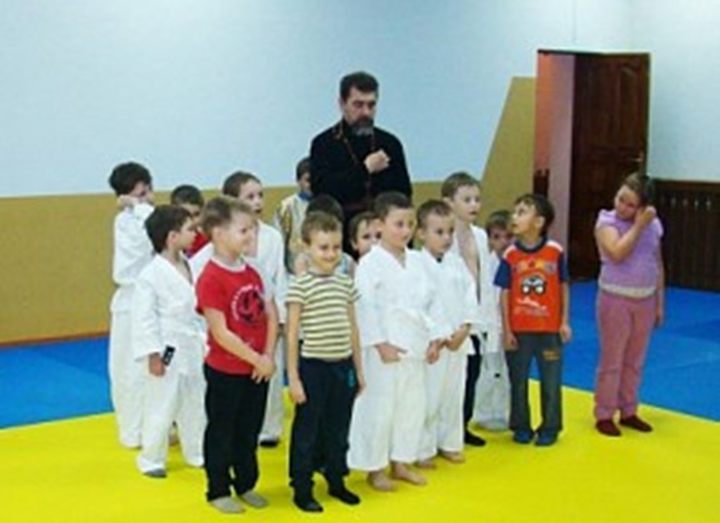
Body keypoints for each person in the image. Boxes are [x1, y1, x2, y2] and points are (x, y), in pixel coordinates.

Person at [348, 192, 443, 491]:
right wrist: (379, 343)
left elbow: (434, 302)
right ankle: (375, 468)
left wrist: (436, 338)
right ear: (380, 224)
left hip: (414, 345)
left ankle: (401, 461)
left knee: (412, 406)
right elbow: (365, 307)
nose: (405, 230)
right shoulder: (370, 263)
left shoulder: (418, 261)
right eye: (398, 224)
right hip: (383, 349)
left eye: (410, 224)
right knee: (379, 408)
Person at [192, 171, 288, 447]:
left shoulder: (270, 240)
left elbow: (276, 286)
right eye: (250, 196)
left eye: (260, 195)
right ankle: (219, 483)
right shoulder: (205, 266)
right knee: (223, 418)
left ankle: (268, 433)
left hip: (262, 335)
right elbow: (211, 320)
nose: (258, 201)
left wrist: (274, 331)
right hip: (225, 348)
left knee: (260, 400)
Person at [195, 197, 278, 514]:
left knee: (249, 429)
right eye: (243, 230)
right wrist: (255, 358)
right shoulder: (211, 276)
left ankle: (246, 483)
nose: (250, 237)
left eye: (252, 231)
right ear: (217, 232)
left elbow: (270, 313)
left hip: (258, 368)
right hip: (227, 369)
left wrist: (268, 355)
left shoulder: (254, 271)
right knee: (222, 429)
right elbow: (220, 332)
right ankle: (218, 488)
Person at [286, 212, 365, 512]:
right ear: (306, 247)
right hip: (313, 367)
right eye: (323, 247)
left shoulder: (345, 283)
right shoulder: (300, 285)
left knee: (338, 428)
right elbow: (292, 334)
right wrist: (293, 377)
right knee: (307, 430)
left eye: (335, 247)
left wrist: (358, 370)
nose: (331, 254)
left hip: (341, 365)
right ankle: (302, 486)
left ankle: (336, 479)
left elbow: (353, 328)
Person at [132, 205, 206, 478]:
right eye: (189, 229)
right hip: (167, 347)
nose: (195, 233)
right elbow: (143, 319)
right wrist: (152, 354)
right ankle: (151, 458)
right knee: (162, 402)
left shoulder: (191, 264)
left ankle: (196, 451)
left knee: (195, 400)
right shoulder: (150, 274)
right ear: (172, 236)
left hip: (193, 341)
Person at [494, 194, 572, 447]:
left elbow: (563, 287)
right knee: (518, 381)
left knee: (551, 381)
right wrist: (507, 330)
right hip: (519, 330)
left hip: (549, 330)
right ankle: (520, 425)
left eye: (522, 212)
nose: (514, 217)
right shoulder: (510, 255)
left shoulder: (554, 252)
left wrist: (564, 321)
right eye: (514, 211)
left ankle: (550, 426)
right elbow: (504, 294)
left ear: (538, 221)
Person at [593, 173, 664, 436]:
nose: (623, 207)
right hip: (615, 298)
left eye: (631, 204)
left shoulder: (653, 226)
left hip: (644, 298)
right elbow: (617, 252)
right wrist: (637, 225)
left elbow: (657, 263)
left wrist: (659, 302)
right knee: (613, 358)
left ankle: (629, 409)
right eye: (621, 199)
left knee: (635, 359)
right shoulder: (606, 221)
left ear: (643, 207)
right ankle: (604, 412)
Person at [310, 71, 412, 251]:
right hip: (342, 240)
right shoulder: (324, 143)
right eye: (358, 105)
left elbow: (403, 196)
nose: (366, 112)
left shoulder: (390, 143)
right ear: (342, 104)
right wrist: (364, 169)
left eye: (371, 105)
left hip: (385, 238)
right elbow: (322, 191)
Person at [415, 200, 476, 467]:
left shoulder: (456, 264)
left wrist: (465, 326)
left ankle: (450, 442)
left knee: (454, 394)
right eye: (438, 232)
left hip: (458, 342)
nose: (446, 238)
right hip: (433, 346)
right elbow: (417, 306)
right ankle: (422, 448)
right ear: (421, 233)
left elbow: (469, 296)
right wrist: (437, 335)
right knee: (428, 398)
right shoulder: (415, 265)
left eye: (449, 231)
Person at [441, 172, 497, 447]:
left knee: (472, 374)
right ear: (449, 203)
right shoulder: (440, 237)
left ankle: (462, 425)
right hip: (450, 318)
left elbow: (483, 278)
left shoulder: (480, 236)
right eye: (466, 199)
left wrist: (484, 317)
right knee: (448, 379)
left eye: (477, 199)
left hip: (476, 315)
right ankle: (442, 431)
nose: (474, 205)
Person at [107, 161, 155, 449]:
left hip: (152, 302)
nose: (147, 197)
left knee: (156, 369)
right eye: (139, 193)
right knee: (128, 369)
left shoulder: (148, 215)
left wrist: (139, 206)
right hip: (130, 302)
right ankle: (132, 430)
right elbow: (145, 238)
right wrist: (135, 207)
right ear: (125, 196)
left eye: (149, 190)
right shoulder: (125, 221)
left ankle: (154, 425)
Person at [473, 210, 513, 431]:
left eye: (507, 237)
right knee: (488, 370)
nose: (502, 242)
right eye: (496, 237)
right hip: (488, 324)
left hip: (508, 326)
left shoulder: (514, 263)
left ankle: (503, 411)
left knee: (505, 371)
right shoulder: (486, 264)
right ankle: (483, 412)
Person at [294, 195, 356, 277]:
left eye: (337, 247)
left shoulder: (348, 262)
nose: (331, 254)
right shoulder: (304, 261)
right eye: (324, 247)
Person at [273, 157, 312, 274]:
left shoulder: (326, 204)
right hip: (293, 272)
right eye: (308, 180)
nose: (313, 184)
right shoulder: (287, 207)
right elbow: (279, 241)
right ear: (298, 181)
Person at [170, 184, 208, 257]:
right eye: (186, 215)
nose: (192, 221)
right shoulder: (170, 241)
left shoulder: (208, 240)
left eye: (197, 214)